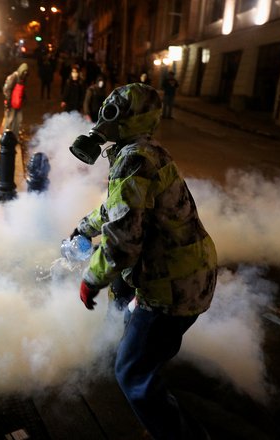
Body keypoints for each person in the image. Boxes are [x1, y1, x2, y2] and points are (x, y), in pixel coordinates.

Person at [67, 83, 217, 440]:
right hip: (189, 273)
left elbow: (122, 243)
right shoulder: (145, 151)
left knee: (131, 374)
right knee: (132, 316)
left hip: (172, 287)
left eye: (115, 113)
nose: (105, 119)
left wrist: (92, 279)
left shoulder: (134, 160)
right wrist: (84, 228)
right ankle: (148, 373)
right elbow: (117, 209)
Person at [2, 63, 29, 140]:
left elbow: (22, 91)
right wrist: (8, 102)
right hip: (11, 103)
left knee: (18, 120)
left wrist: (24, 99)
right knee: (9, 120)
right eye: (24, 72)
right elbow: (8, 90)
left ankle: (14, 137)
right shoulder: (14, 76)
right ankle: (5, 138)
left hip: (18, 103)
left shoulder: (22, 78)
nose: (25, 74)